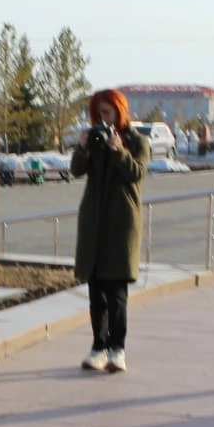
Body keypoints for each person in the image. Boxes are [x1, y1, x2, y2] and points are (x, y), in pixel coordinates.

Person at [70, 89, 150, 373]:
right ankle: (98, 347)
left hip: (121, 223)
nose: (102, 118)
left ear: (119, 111)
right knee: (96, 291)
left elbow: (137, 172)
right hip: (94, 221)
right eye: (98, 113)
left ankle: (118, 349)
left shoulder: (136, 141)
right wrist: (82, 147)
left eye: (107, 112)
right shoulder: (95, 139)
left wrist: (119, 150)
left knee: (116, 291)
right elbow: (76, 170)